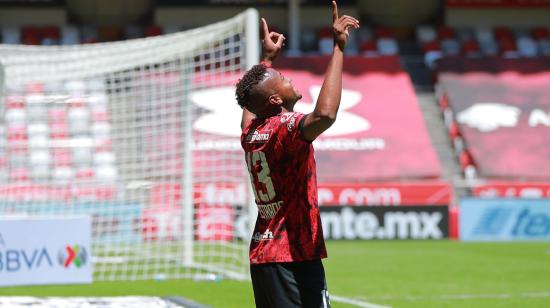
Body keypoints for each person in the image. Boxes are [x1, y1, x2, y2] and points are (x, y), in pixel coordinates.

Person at [236, 1, 359, 307]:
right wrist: (338, 48)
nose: (289, 78)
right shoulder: (283, 128)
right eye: (282, 78)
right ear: (275, 98)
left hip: (266, 254)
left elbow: (249, 108)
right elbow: (325, 115)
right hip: (292, 252)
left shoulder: (252, 133)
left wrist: (265, 61)